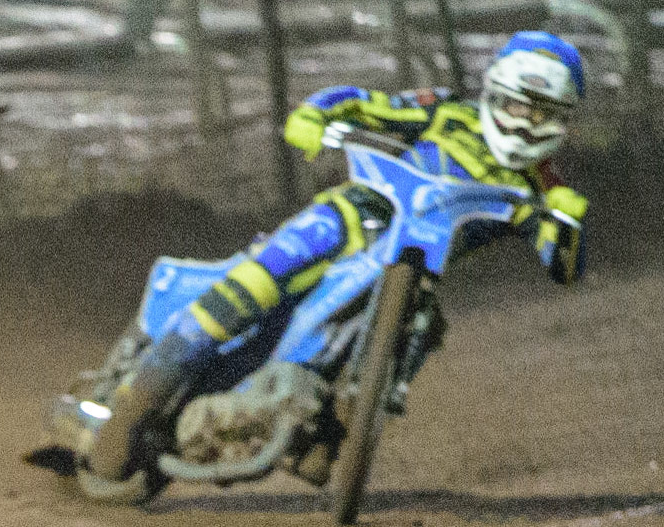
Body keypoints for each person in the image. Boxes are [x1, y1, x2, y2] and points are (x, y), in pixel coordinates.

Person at [87, 31, 590, 482]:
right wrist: (315, 115)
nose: (526, 122)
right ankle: (140, 398)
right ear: (494, 94)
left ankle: (339, 428)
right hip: (356, 218)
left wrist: (566, 224)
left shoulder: (542, 186)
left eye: (541, 112)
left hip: (411, 274)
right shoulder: (446, 112)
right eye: (518, 106)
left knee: (425, 325)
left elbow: (564, 267)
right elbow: (367, 104)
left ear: (560, 120)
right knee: (291, 254)